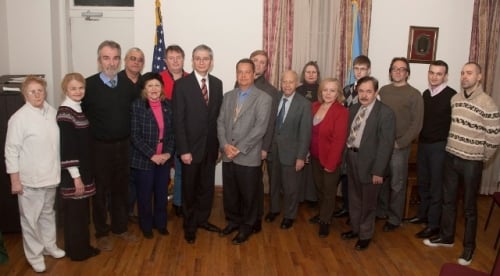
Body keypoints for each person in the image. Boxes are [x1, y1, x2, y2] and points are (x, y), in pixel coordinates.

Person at [424, 62, 500, 266]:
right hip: (451, 157)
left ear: (480, 76)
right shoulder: (455, 99)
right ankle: (447, 237)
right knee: (448, 201)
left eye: (470, 73)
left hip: (471, 162)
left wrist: (481, 157)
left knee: (469, 208)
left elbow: (494, 137)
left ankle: (469, 248)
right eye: (462, 73)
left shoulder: (488, 103)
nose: (465, 76)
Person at [82, 40, 139, 251]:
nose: (111, 63)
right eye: (106, 58)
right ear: (99, 60)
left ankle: (120, 228)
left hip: (123, 146)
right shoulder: (88, 86)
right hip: (99, 148)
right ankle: (101, 231)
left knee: (121, 189)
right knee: (100, 192)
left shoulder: (127, 86)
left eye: (115, 58)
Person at [5, 76, 64, 272]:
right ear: (24, 94)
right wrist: (15, 180)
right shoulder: (19, 118)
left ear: (45, 92)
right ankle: (35, 255)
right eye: (32, 91)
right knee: (30, 220)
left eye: (40, 90)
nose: (37, 94)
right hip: (30, 180)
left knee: (48, 214)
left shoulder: (51, 112)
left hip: (50, 176)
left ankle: (49, 246)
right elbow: (11, 151)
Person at [217, 58, 272, 244]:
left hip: (248, 156)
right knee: (230, 193)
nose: (243, 75)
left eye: (247, 72)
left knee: (249, 195)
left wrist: (238, 149)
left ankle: (247, 226)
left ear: (254, 74)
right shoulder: (228, 96)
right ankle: (233, 221)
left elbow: (260, 128)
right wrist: (225, 145)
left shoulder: (264, 98)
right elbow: (220, 122)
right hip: (228, 154)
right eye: (239, 71)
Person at [172, 44, 223, 244]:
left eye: (206, 58)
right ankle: (190, 225)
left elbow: (218, 118)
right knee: (190, 189)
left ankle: (203, 220)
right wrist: (183, 150)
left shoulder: (217, 84)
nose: (202, 62)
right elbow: (178, 120)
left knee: (206, 188)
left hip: (210, 148)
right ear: (192, 61)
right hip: (190, 150)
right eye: (198, 58)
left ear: (211, 61)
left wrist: (218, 145)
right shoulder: (182, 85)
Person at [341, 76, 396, 251]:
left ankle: (365, 235)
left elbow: (385, 146)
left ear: (376, 92)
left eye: (369, 91)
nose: (364, 95)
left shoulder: (386, 113)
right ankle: (356, 229)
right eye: (361, 91)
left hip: (371, 164)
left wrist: (378, 171)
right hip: (352, 158)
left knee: (368, 202)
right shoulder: (354, 109)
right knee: (354, 198)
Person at [408, 60, 457, 239]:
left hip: (439, 147)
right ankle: (423, 215)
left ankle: (434, 224)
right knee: (423, 183)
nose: (434, 76)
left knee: (436, 186)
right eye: (432, 73)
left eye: (439, 74)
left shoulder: (452, 96)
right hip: (424, 145)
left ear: (445, 76)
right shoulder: (426, 94)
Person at [56, 73, 100, 261]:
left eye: (81, 87)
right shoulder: (65, 113)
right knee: (75, 216)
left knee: (82, 214)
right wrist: (76, 176)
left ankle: (84, 246)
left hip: (84, 170)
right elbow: (68, 148)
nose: (78, 91)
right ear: (66, 89)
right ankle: (77, 252)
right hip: (74, 174)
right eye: (73, 88)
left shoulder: (78, 108)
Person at [377, 57, 424, 231]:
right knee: (379, 179)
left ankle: (394, 219)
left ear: (407, 73)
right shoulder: (383, 90)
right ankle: (381, 211)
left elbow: (417, 124)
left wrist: (401, 143)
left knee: (397, 184)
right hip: (382, 144)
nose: (398, 72)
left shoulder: (414, 94)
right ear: (390, 72)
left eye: (401, 69)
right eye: (394, 69)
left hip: (399, 147)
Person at [265, 70, 312, 230]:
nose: (287, 85)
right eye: (284, 81)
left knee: (291, 187)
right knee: (274, 183)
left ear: (296, 83)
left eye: (290, 82)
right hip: (273, 150)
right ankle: (274, 209)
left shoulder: (304, 104)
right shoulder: (275, 98)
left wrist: (301, 156)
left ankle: (289, 215)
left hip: (292, 154)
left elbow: (305, 133)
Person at [130, 72, 175, 239]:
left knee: (162, 193)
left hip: (163, 159)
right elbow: (135, 135)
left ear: (162, 87)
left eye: (157, 85)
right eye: (150, 86)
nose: (154, 89)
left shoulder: (168, 105)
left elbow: (172, 134)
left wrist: (168, 153)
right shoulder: (137, 106)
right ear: (144, 89)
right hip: (144, 160)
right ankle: (146, 226)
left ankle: (161, 224)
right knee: (145, 195)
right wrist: (152, 155)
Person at [309, 78, 348, 237]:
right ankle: (322, 213)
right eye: (325, 90)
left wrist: (331, 163)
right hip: (315, 156)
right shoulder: (314, 106)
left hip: (330, 159)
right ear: (321, 91)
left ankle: (325, 221)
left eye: (332, 90)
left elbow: (339, 140)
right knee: (319, 188)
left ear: (338, 93)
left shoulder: (341, 111)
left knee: (329, 192)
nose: (328, 93)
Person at [334, 55, 371, 219]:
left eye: (363, 69)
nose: (359, 72)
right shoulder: (347, 89)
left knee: (359, 179)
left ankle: (358, 212)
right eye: (356, 69)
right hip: (346, 139)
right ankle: (347, 207)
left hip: (362, 142)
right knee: (346, 176)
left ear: (368, 70)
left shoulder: (372, 91)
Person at [248, 50, 279, 233]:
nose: (258, 64)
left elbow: (271, 122)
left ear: (266, 67)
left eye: (262, 62)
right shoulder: (241, 82)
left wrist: (265, 148)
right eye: (255, 61)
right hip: (243, 143)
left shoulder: (270, 91)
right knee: (247, 181)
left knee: (257, 181)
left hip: (260, 145)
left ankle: (257, 215)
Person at [160, 44, 189, 218]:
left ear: (183, 59)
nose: (175, 61)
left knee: (181, 170)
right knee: (162, 172)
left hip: (183, 134)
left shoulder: (190, 78)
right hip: (163, 135)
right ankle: (160, 204)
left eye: (178, 57)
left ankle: (178, 203)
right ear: (165, 61)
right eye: (171, 58)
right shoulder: (159, 78)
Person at [120, 47, 145, 224]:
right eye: (133, 58)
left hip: (142, 139)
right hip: (121, 138)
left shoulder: (145, 82)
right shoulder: (116, 81)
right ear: (125, 61)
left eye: (140, 59)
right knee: (122, 178)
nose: (136, 62)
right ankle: (120, 213)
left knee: (138, 177)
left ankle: (133, 210)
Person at [296, 61, 320, 208]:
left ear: (318, 75)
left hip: (317, 133)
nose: (311, 74)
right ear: (303, 74)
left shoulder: (322, 90)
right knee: (300, 164)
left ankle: (312, 197)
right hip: (299, 132)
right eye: (308, 72)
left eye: (314, 72)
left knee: (313, 167)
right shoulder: (297, 90)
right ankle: (299, 196)